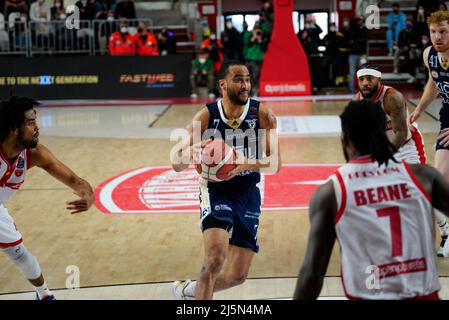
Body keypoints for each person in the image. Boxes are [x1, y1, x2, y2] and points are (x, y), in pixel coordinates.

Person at [294, 99, 449, 300]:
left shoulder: (330, 194)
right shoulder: (424, 176)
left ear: (345, 139)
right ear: (384, 133)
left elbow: (313, 274)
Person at [170, 60, 281, 300]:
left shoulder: (263, 115)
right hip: (215, 190)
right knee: (215, 259)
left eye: (248, 79)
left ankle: (187, 290)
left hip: (247, 193)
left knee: (237, 276)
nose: (245, 85)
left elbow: (275, 163)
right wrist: (190, 153)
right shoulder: (206, 116)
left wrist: (245, 162)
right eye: (239, 79)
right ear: (223, 84)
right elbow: (175, 163)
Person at [0, 97, 94, 300]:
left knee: (21, 255)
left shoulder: (34, 154)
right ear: (14, 128)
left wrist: (88, 196)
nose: (37, 127)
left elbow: (76, 181)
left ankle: (44, 295)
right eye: (31, 122)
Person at [355, 64, 449, 256]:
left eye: (369, 79)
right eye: (361, 79)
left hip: (406, 145)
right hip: (384, 147)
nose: (365, 83)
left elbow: (400, 133)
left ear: (379, 80)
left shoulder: (392, 98)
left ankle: (445, 228)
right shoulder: (359, 101)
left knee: (421, 191)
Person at [408, 11, 449, 257]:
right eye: (434, 31)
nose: (438, 36)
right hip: (448, 114)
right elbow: (434, 82)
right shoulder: (429, 55)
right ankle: (448, 234)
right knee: (439, 178)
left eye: (443, 31)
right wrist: (420, 109)